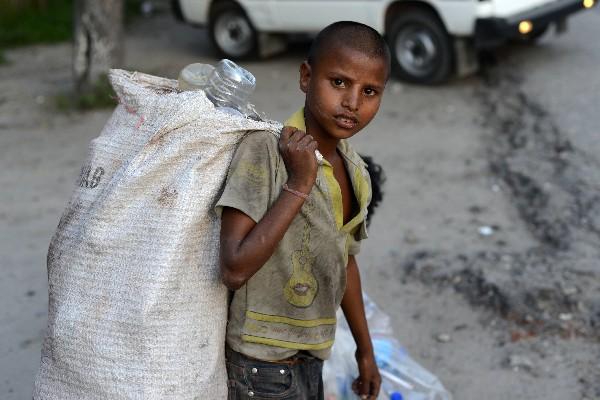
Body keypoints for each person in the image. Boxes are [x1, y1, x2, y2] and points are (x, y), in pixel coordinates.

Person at [216, 21, 390, 400]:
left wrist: (366, 350)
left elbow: (345, 262)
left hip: (312, 356)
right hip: (258, 365)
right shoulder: (265, 150)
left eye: (370, 91)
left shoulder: (357, 171)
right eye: (339, 82)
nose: (353, 102)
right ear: (306, 77)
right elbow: (233, 267)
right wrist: (299, 184)